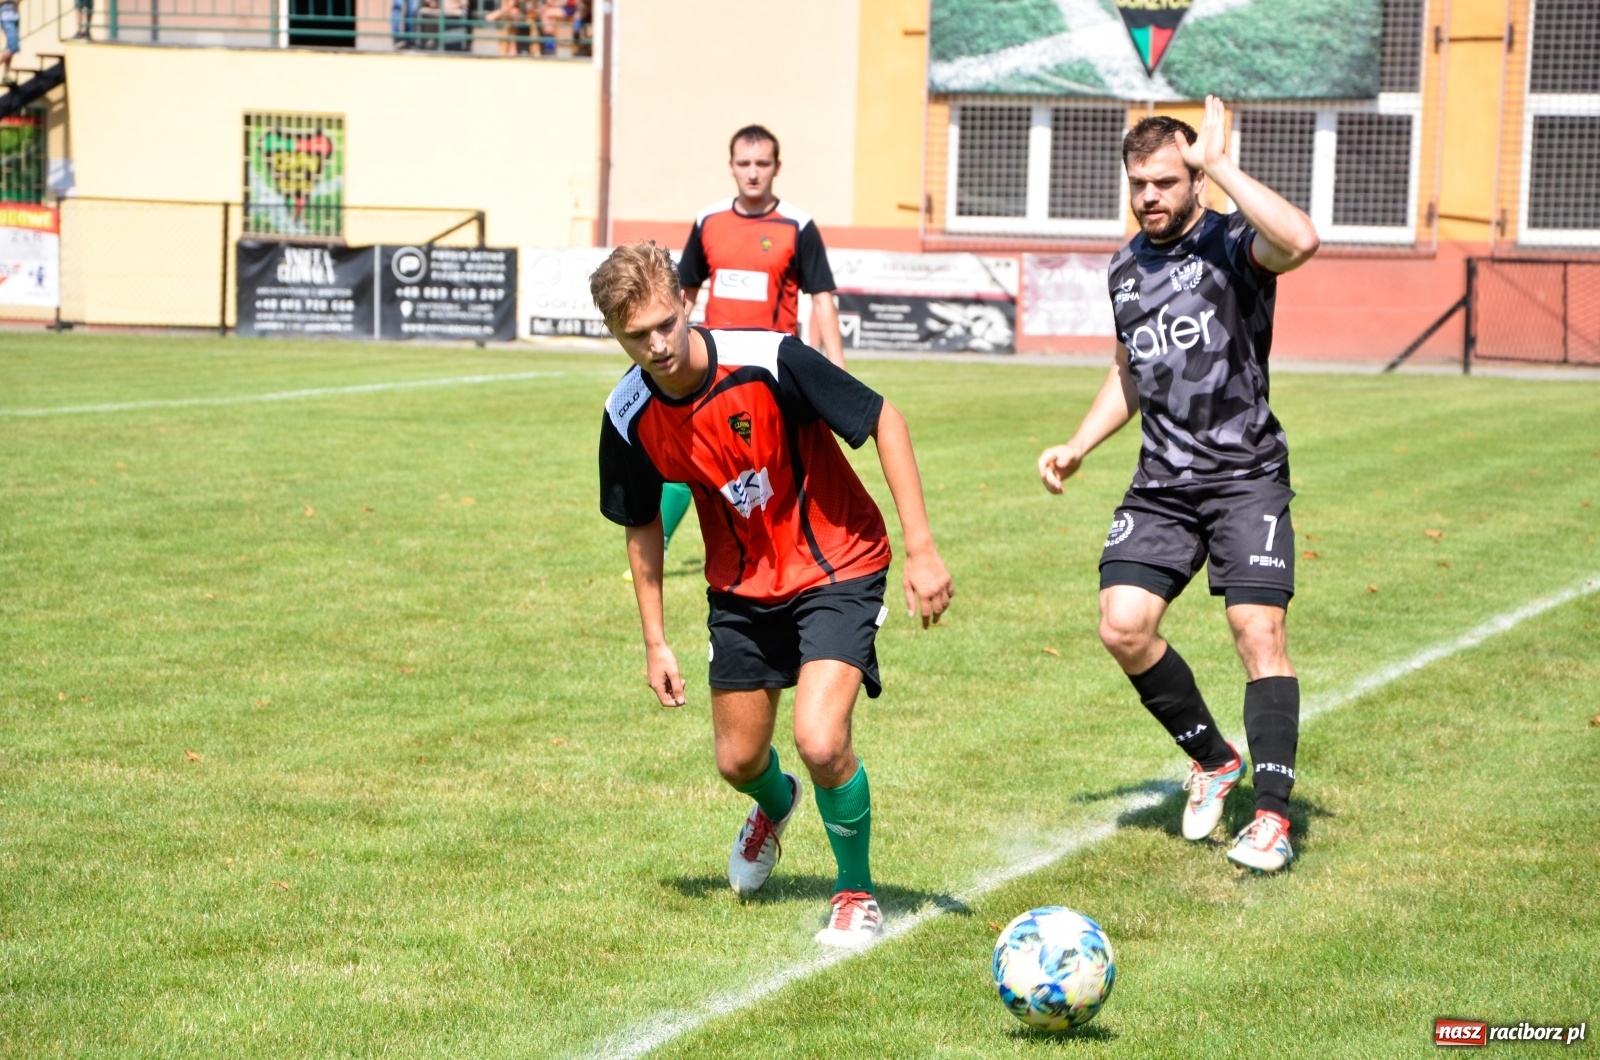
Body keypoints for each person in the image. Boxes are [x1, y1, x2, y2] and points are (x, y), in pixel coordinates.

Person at [591, 242, 953, 946]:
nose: (659, 344)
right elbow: (641, 527)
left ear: (687, 304)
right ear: (614, 333)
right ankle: (775, 803)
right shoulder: (626, 415)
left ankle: (855, 894)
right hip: (740, 587)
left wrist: (923, 549)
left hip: (836, 564)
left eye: (667, 323)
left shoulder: (770, 357)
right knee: (738, 762)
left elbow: (883, 419)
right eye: (638, 335)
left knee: (820, 739)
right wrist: (655, 640)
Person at [1035, 95, 1320, 873]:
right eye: (1139, 184)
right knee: (1122, 625)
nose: (1150, 197)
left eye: (1165, 181)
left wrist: (1222, 167)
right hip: (1163, 480)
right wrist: (1080, 444)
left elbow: (1301, 239)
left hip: (1245, 476)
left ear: (1194, 181)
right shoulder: (1126, 267)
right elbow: (1130, 371)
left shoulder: (1234, 244)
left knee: (1258, 633)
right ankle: (1214, 758)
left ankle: (1270, 818)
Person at [641, 125, 847, 576]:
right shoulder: (709, 222)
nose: (753, 173)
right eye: (744, 163)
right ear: (731, 166)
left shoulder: (798, 225)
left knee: (775, 467)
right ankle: (665, 545)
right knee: (691, 459)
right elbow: (684, 294)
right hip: (712, 369)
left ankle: (784, 552)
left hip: (773, 372)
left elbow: (823, 299)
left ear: (776, 167)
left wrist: (836, 365)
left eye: (762, 164)